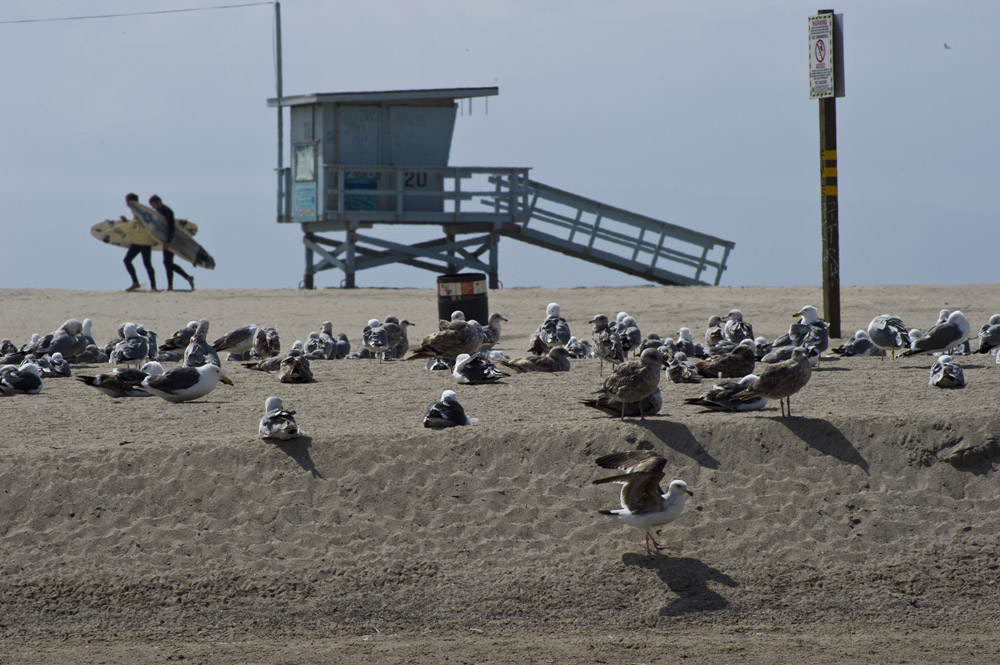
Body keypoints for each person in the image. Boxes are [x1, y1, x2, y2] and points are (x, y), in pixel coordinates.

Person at [149, 194, 195, 291]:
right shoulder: (159, 211)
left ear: (159, 202)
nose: (153, 207)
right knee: (167, 262)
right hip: (165, 240)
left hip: (171, 240)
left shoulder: (167, 211)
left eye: (153, 204)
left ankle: (172, 285)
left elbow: (171, 227)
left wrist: (168, 241)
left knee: (167, 262)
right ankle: (186, 278)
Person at [121, 193, 158, 292]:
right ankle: (135, 283)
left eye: (127, 201)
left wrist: (154, 239)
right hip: (138, 240)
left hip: (145, 240)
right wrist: (126, 222)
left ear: (132, 201)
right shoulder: (135, 210)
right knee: (127, 260)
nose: (126, 204)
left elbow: (149, 224)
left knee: (147, 263)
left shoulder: (140, 210)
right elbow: (137, 225)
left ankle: (153, 286)